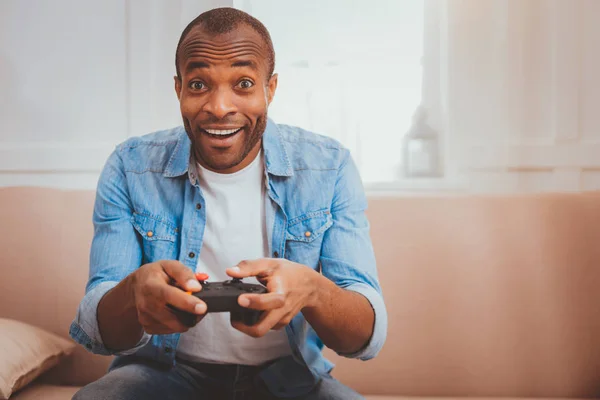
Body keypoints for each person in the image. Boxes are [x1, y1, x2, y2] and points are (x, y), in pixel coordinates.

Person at [69, 7, 387, 400]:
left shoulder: (329, 166)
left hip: (291, 379)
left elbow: (364, 337)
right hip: (163, 376)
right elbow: (101, 331)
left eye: (244, 83)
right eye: (199, 84)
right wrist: (133, 294)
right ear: (179, 88)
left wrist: (314, 291)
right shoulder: (130, 166)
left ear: (270, 89)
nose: (220, 107)